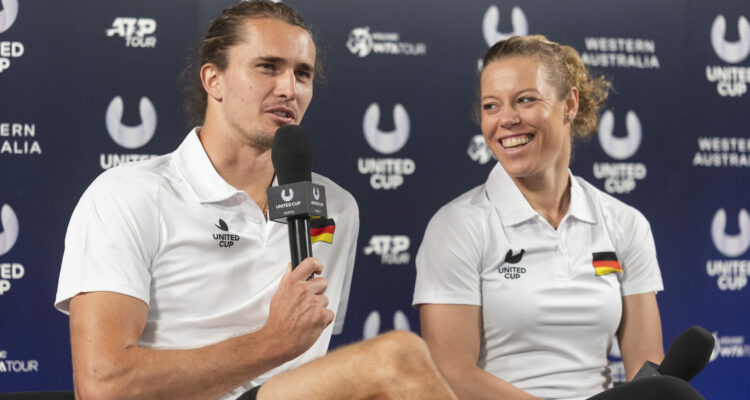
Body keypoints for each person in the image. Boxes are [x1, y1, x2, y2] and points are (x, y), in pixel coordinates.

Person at [54, 2, 457, 399]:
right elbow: (103, 385)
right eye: (268, 67)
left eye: (303, 74)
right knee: (397, 357)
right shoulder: (128, 194)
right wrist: (272, 342)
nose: (289, 89)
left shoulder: (335, 206)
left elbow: (307, 361)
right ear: (214, 80)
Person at [413, 35, 666, 399]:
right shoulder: (457, 226)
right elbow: (451, 376)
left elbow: (648, 372)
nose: (507, 120)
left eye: (526, 100)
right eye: (491, 106)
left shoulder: (625, 224)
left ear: (570, 104)